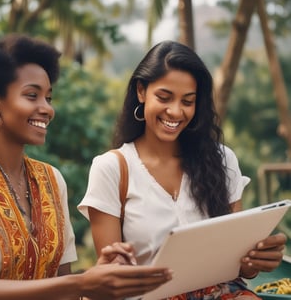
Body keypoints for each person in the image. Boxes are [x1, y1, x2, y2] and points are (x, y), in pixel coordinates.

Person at [0, 34, 173, 300]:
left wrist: (102, 275)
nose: (46, 109)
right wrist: (82, 283)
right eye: (32, 96)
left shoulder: (50, 179)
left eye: (48, 98)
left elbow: (63, 288)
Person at [78, 40, 287, 299]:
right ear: (141, 91)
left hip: (220, 292)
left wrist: (255, 262)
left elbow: (238, 266)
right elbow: (112, 277)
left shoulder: (222, 159)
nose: (176, 112)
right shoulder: (112, 168)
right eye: (164, 98)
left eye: (188, 101)